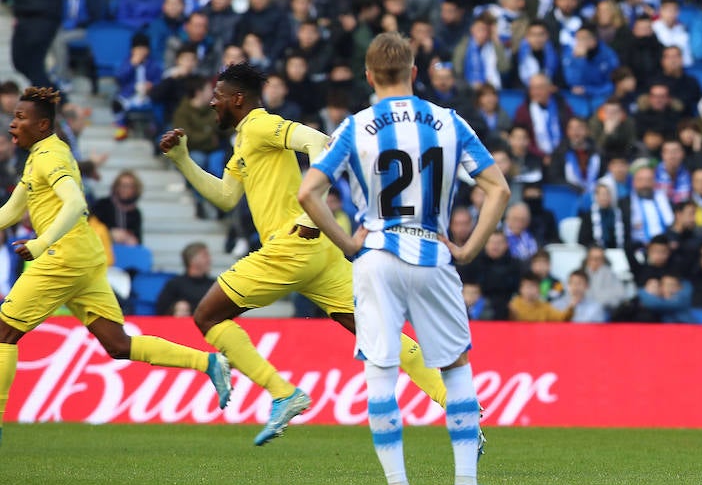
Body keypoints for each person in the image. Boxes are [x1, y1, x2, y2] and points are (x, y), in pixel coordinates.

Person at [159, 63, 448, 446]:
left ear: (237, 100)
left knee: (208, 315)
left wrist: (311, 206)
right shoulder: (244, 140)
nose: (213, 103)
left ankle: (283, 393)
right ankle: (455, 402)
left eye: (218, 96)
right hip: (318, 253)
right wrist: (182, 160)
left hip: (293, 245)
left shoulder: (262, 125)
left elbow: (321, 142)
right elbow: (226, 197)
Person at [299, 32, 510, 485]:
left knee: (381, 368)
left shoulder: (354, 126)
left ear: (369, 76)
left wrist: (349, 241)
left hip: (376, 254)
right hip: (434, 253)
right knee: (455, 369)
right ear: (415, 73)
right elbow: (498, 189)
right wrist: (470, 247)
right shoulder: (450, 122)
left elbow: (308, 193)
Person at [0, 88, 231, 444]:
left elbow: (76, 202)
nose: (13, 123)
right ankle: (209, 364)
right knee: (118, 345)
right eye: (14, 116)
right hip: (83, 256)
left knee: (4, 333)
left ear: (43, 124)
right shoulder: (37, 156)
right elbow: (13, 211)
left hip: (64, 256)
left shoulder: (51, 157)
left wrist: (41, 243)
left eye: (20, 117)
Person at [155, 242, 217, 316]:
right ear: (191, 260)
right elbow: (161, 311)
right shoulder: (175, 284)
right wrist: (176, 309)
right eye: (205, 256)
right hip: (182, 325)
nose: (210, 260)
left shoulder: (215, 285)